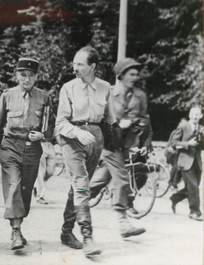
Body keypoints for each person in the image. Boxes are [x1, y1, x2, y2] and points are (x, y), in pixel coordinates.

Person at [0, 57, 55, 250]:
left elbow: (51, 125)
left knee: (25, 190)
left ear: (36, 77)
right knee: (14, 185)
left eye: (31, 75)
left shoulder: (44, 98)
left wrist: (43, 135)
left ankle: (17, 227)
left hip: (32, 150)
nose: (26, 79)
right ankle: (15, 232)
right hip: (10, 147)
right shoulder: (7, 95)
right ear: (17, 76)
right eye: (23, 75)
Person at [54, 46, 116, 257]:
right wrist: (77, 133)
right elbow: (60, 122)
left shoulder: (106, 87)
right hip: (72, 139)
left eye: (80, 64)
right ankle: (88, 237)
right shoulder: (68, 88)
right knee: (81, 185)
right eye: (74, 63)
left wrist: (113, 144)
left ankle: (65, 232)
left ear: (93, 66)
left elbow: (109, 119)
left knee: (80, 188)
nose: (75, 68)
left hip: (95, 139)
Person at [89, 58, 148, 238]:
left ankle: (74, 202)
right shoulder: (109, 94)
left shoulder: (140, 96)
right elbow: (97, 119)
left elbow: (145, 119)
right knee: (122, 179)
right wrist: (117, 125)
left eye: (137, 74)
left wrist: (135, 125)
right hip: (108, 144)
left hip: (124, 146)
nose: (135, 77)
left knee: (98, 183)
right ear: (120, 75)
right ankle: (123, 223)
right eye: (131, 74)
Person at [169, 105, 203, 221]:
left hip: (197, 162)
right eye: (193, 114)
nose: (195, 116)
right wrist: (188, 144)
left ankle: (175, 198)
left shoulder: (201, 128)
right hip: (185, 161)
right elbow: (173, 142)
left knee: (192, 187)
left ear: (201, 116)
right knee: (194, 187)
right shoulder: (183, 126)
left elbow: (201, 147)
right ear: (189, 115)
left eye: (198, 114)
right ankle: (194, 212)